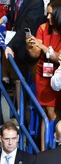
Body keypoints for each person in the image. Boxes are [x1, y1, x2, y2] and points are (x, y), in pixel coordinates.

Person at [25, 0, 61, 151]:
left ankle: (52, 147)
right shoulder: (42, 28)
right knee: (47, 111)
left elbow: (58, 57)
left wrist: (42, 45)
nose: (47, 17)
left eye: (50, 14)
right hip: (43, 76)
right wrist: (30, 46)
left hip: (58, 76)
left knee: (54, 112)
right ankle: (45, 150)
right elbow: (35, 54)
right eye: (46, 13)